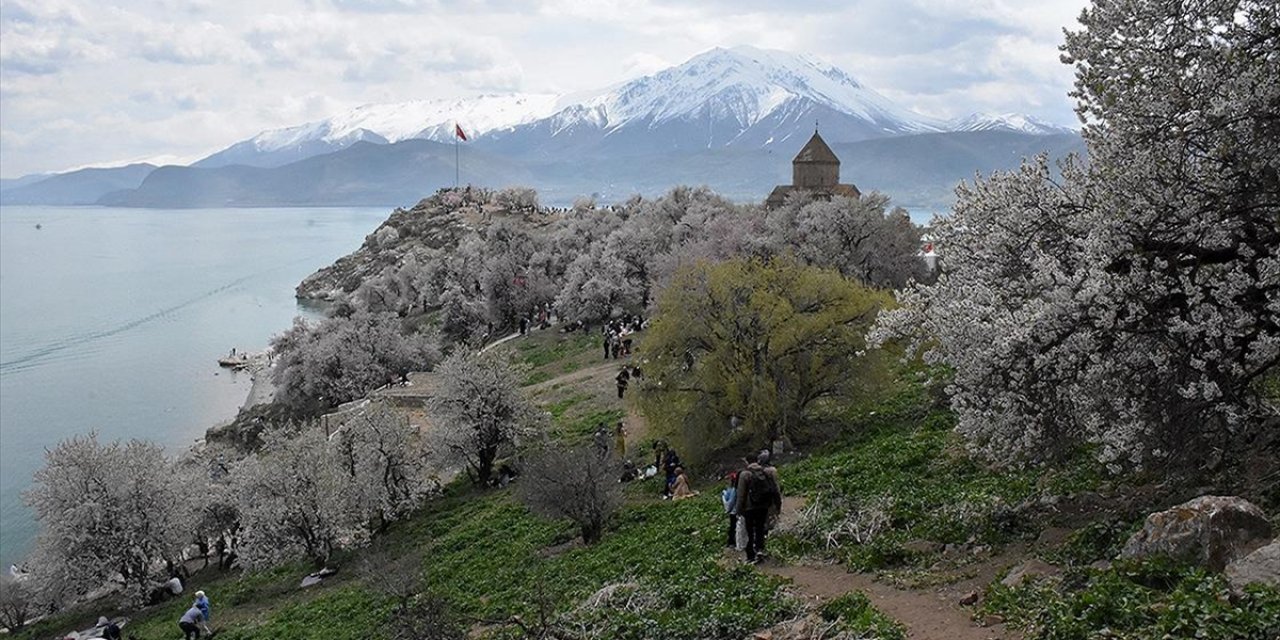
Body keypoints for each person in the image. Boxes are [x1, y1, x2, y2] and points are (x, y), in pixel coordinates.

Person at [735, 450, 782, 564]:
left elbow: (741, 494)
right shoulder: (765, 472)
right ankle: (760, 550)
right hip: (763, 505)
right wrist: (777, 504)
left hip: (750, 508)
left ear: (747, 461)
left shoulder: (745, 474)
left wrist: (739, 509)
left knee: (750, 531)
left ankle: (751, 555)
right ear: (757, 460)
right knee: (760, 528)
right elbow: (774, 489)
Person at [721, 472, 739, 548]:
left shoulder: (732, 490)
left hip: (733, 511)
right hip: (739, 510)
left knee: (733, 527)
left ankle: (732, 542)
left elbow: (730, 501)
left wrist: (723, 496)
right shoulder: (739, 488)